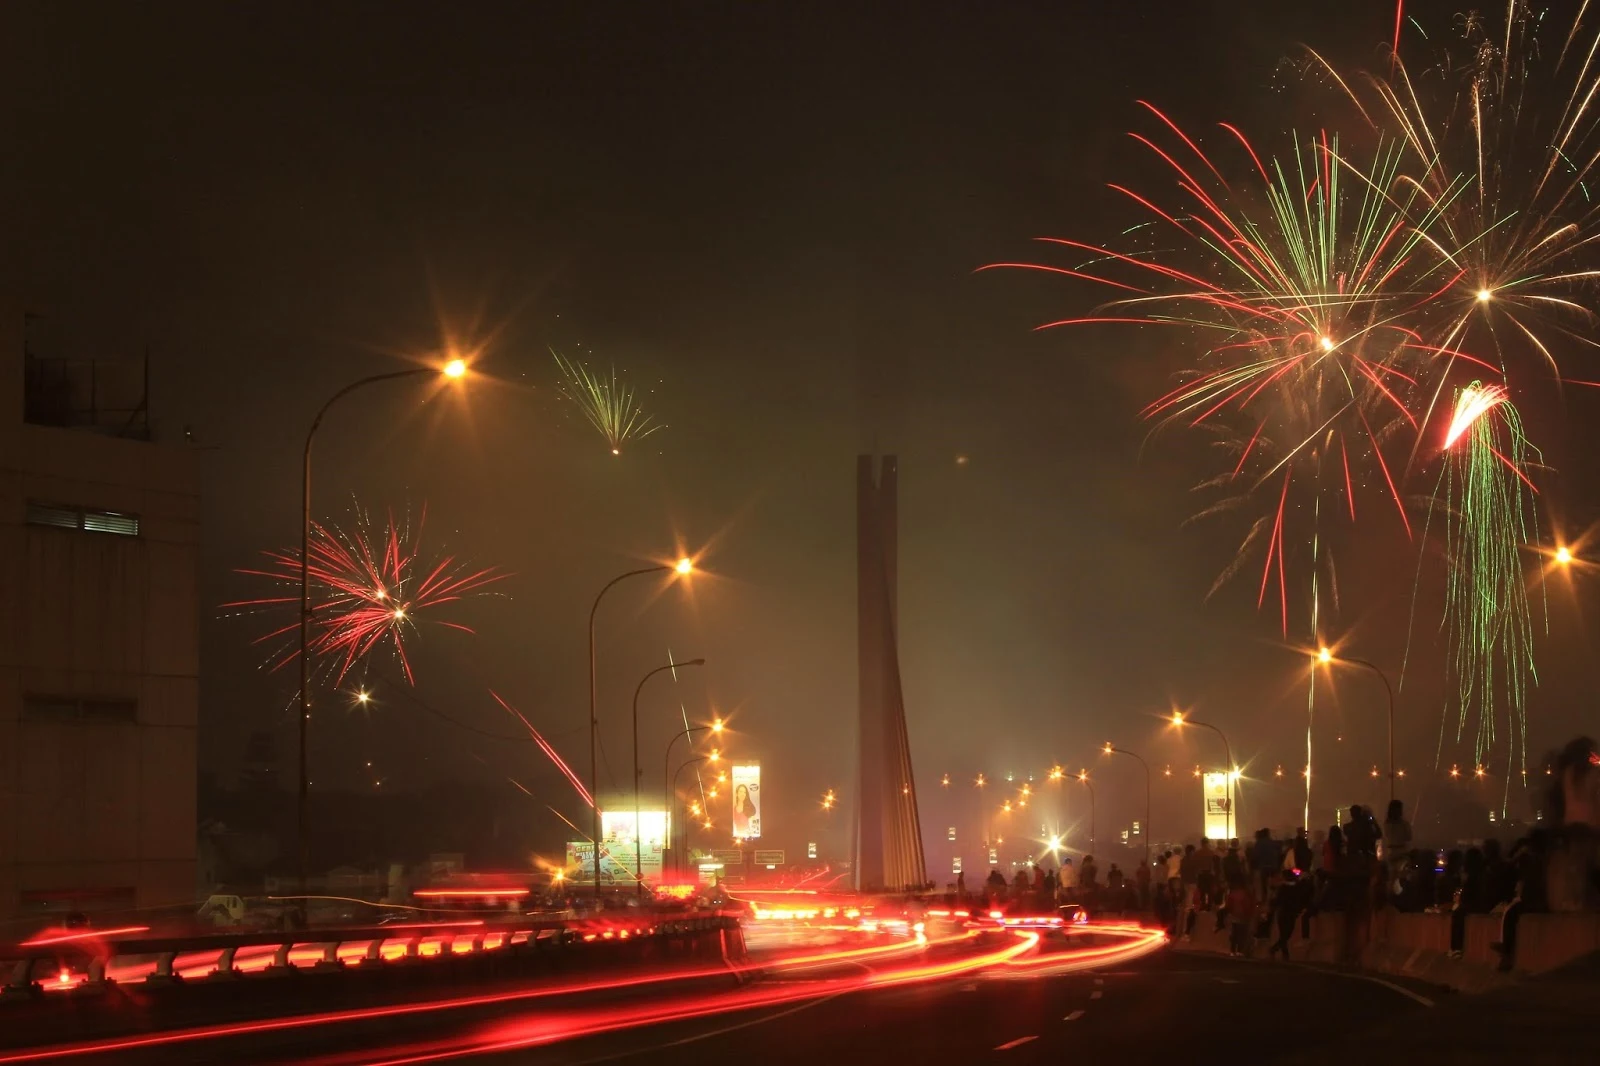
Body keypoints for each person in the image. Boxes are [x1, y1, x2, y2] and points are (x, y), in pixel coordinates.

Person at [1226, 876, 1255, 957]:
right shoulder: (1246, 894)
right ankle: (1239, 950)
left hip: (1234, 916)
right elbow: (1248, 905)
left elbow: (1229, 905)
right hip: (1243, 917)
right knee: (1241, 934)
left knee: (1234, 934)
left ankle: (1232, 950)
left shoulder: (1233, 894)